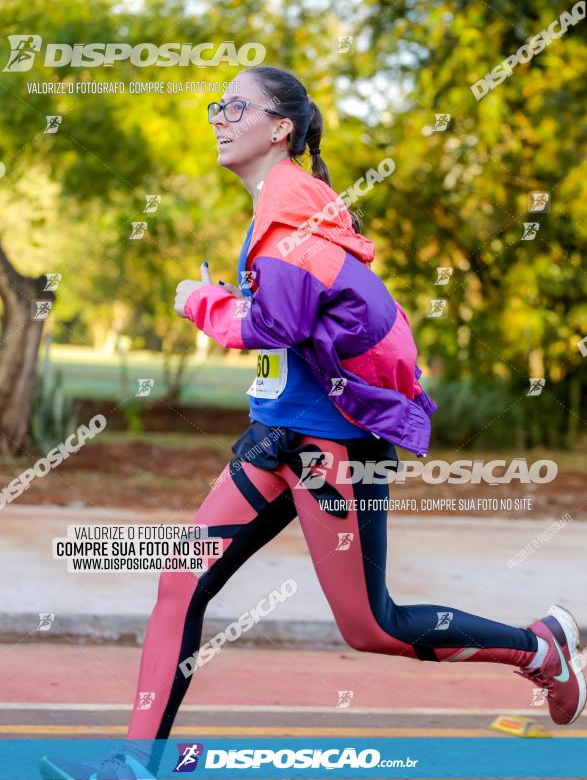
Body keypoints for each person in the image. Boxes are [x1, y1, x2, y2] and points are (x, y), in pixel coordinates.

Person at [40, 67, 586, 780]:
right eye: (218, 105)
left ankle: (538, 646)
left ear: (280, 129)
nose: (219, 117)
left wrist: (203, 300)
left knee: (370, 626)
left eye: (236, 106)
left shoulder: (294, 204)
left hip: (328, 446)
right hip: (277, 434)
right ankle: (135, 763)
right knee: (181, 577)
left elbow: (278, 324)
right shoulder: (282, 205)